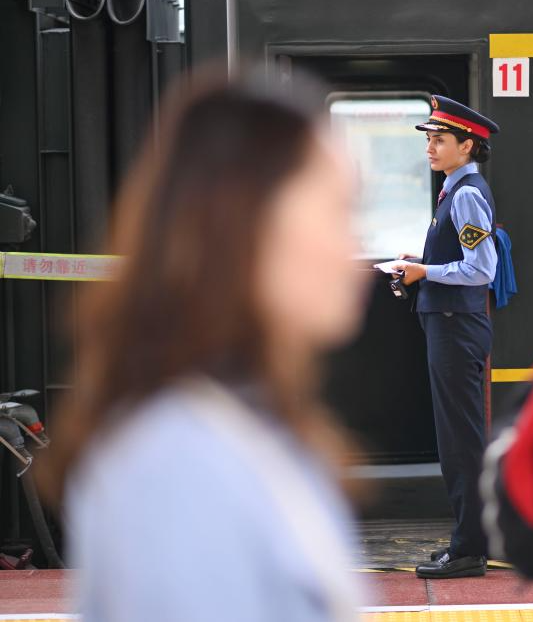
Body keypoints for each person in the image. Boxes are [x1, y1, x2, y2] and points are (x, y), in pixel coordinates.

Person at [40, 70, 369, 622]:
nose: (352, 247)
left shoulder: (224, 433)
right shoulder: (181, 471)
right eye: (339, 210)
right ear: (246, 223)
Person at [392, 95, 498, 579]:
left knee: (461, 441)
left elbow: (481, 269)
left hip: (457, 326)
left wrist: (425, 272)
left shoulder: (467, 194)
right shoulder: (453, 191)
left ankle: (470, 548)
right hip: (449, 324)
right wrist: (421, 264)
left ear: (467, 145)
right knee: (457, 437)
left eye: (439, 140)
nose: (430, 148)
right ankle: (466, 540)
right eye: (430, 139)